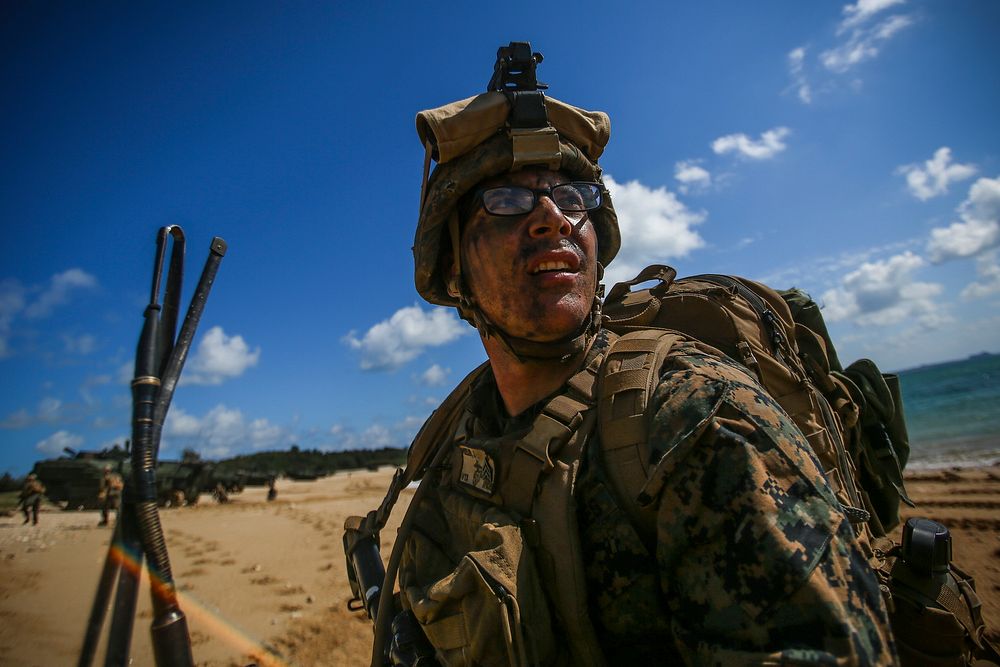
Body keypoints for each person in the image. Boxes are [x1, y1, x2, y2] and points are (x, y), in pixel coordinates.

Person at [378, 43, 898, 666]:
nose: (553, 217)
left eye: (573, 197)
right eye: (507, 200)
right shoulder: (455, 439)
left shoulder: (695, 414)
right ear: (453, 270)